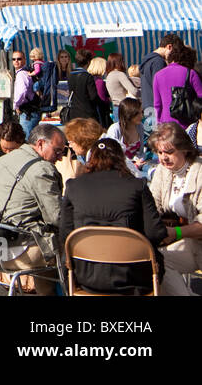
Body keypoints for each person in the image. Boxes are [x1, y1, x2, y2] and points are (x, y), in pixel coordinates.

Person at [59, 138, 165, 294]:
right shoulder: (137, 186)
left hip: (85, 276)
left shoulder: (73, 186)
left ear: (91, 158)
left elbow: (65, 235)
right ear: (121, 158)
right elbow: (155, 233)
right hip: (132, 277)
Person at [0, 123, 67, 294]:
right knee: (72, 244)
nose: (60, 158)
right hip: (14, 250)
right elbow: (56, 217)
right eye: (57, 151)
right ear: (41, 143)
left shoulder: (2, 160)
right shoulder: (42, 169)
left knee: (47, 237)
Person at [147, 122, 202, 296]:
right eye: (160, 152)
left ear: (184, 149)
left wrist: (176, 233)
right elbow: (151, 205)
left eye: (169, 152)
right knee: (157, 263)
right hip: (190, 242)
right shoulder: (162, 170)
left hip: (192, 239)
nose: (163, 158)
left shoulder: (199, 171)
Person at [153, 45, 202, 129]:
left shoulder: (158, 75)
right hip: (187, 123)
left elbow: (157, 104)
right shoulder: (191, 73)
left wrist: (159, 123)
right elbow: (200, 96)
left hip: (166, 124)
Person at [141, 33, 181, 130]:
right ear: (169, 47)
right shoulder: (158, 62)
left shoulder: (147, 60)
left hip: (147, 105)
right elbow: (161, 87)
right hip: (156, 108)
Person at [107, 98, 152, 177]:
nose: (141, 116)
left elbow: (140, 153)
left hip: (137, 165)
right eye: (138, 113)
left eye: (142, 112)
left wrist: (139, 161)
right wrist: (133, 165)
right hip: (120, 169)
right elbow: (111, 156)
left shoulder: (140, 127)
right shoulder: (115, 130)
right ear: (129, 114)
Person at [13, 53, 43, 138]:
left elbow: (22, 91)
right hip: (32, 111)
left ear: (24, 60)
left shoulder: (21, 74)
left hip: (28, 112)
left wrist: (16, 105)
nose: (16, 61)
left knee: (27, 140)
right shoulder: (27, 72)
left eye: (19, 59)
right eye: (14, 59)